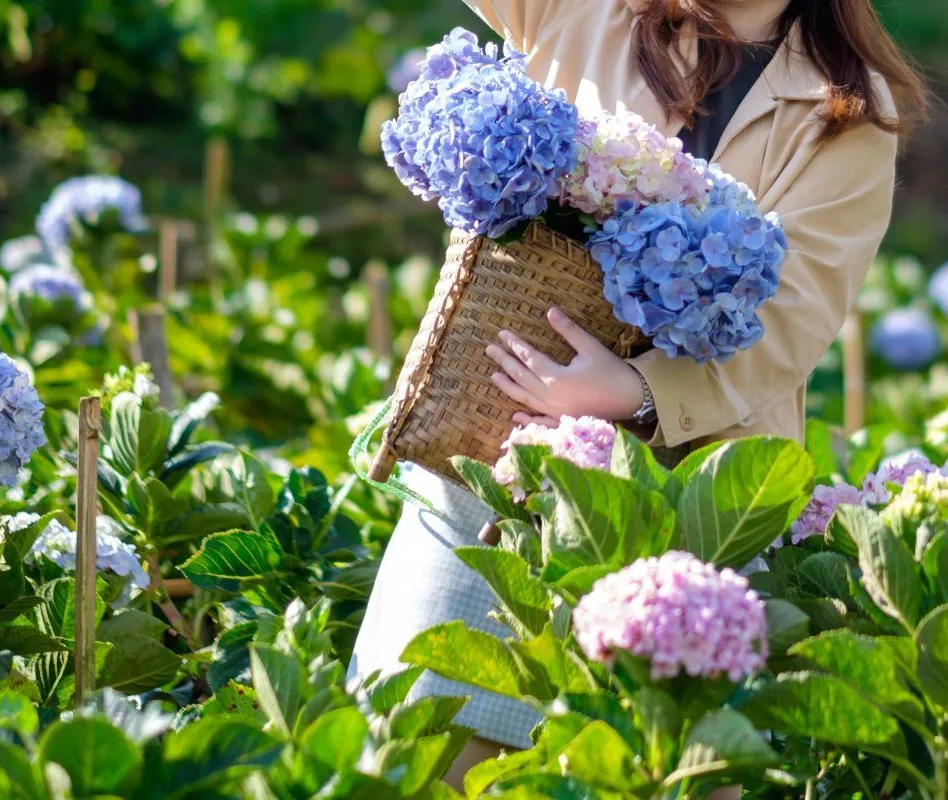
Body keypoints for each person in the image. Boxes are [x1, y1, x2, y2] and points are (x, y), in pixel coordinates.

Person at [348, 0, 930, 793]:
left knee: (650, 775)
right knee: (418, 751)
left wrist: (640, 390)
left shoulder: (849, 107)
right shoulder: (585, 10)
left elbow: (797, 313)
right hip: (487, 459)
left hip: (691, 500)